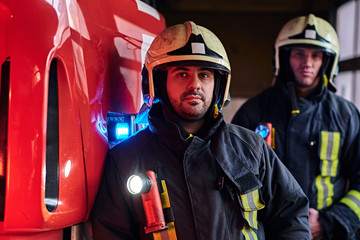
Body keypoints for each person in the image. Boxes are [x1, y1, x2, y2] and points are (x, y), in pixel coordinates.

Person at [91, 21, 311, 240]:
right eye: (182, 74)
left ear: (218, 85)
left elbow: (291, 215)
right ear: (158, 83)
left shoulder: (251, 149)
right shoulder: (126, 160)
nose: (194, 85)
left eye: (204, 75)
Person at [232, 14, 360, 240]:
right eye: (299, 53)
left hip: (328, 234)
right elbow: (232, 177)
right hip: (268, 232)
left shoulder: (346, 115)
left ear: (327, 61)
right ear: (284, 56)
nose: (307, 63)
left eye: (316, 55)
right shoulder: (253, 112)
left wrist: (329, 222)